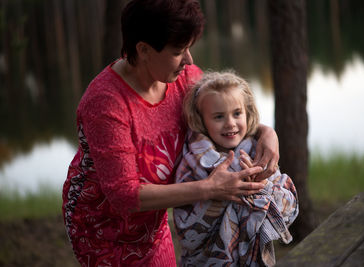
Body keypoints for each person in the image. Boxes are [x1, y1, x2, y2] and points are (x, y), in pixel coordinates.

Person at [62, 0, 280, 266]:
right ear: (143, 49)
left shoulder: (184, 78)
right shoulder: (106, 103)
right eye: (179, 51)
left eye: (189, 48)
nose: (189, 60)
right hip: (103, 233)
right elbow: (125, 195)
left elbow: (221, 114)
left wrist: (266, 133)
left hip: (154, 226)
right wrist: (209, 188)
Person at [174, 71, 299, 266]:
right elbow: (188, 236)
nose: (230, 123)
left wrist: (262, 187)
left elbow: (289, 212)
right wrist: (216, 196)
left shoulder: (257, 154)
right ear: (201, 120)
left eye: (237, 113)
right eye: (218, 117)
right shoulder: (191, 163)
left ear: (248, 112)